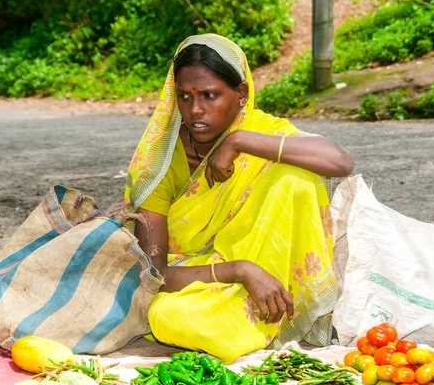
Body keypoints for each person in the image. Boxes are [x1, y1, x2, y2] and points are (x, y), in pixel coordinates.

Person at [124, 34, 354, 363]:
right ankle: (255, 318)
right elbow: (155, 275)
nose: (195, 109)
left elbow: (339, 161)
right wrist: (239, 270)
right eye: (185, 97)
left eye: (210, 95)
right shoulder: (157, 165)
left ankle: (278, 308)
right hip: (202, 278)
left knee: (296, 176)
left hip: (274, 275)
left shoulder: (260, 130)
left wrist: (239, 141)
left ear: (242, 94)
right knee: (165, 317)